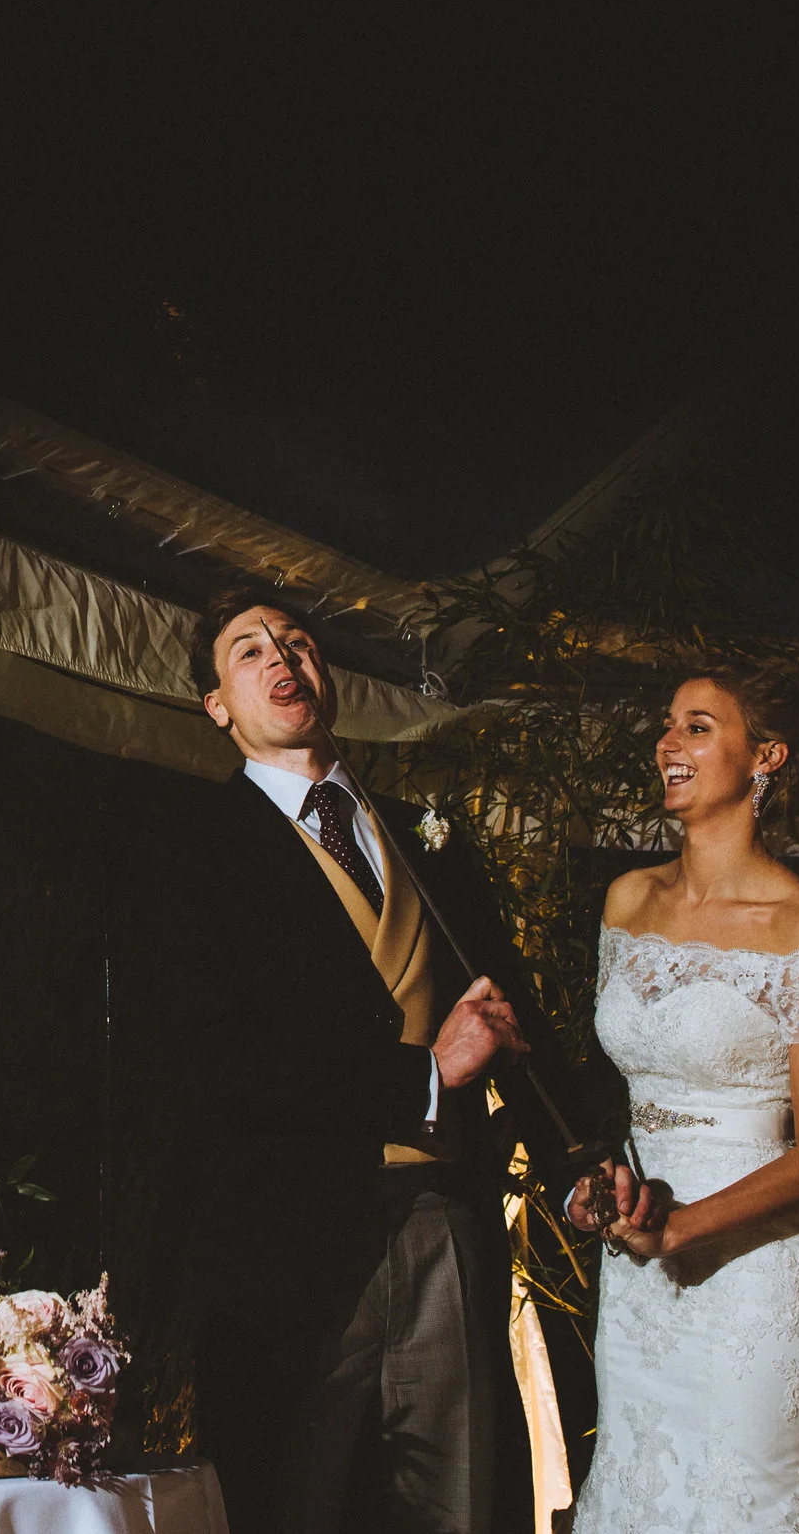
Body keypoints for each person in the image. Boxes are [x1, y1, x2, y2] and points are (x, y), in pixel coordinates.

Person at [161, 588, 592, 1534]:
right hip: (293, 1240)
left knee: (460, 1501)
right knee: (295, 1502)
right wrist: (425, 1076)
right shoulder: (193, 847)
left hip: (445, 1217)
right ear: (218, 705)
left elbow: (509, 1014)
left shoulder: (422, 834)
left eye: (299, 643)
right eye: (249, 652)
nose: (282, 659)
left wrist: (575, 1168)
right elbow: (218, 1061)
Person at [565, 667, 799, 1533]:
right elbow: (633, 1092)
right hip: (637, 1275)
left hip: (756, 1276)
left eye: (699, 727)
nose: (667, 744)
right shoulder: (626, 900)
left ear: (766, 758)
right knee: (644, 1488)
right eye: (668, 724)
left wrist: (681, 1225)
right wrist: (606, 1190)